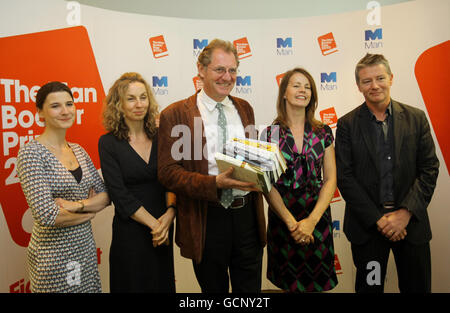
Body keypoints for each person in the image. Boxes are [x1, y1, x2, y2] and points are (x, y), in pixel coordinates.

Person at [157, 39, 266, 293]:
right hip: (206, 218)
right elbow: (167, 172)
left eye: (232, 70)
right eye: (219, 70)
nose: (227, 77)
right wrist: (214, 184)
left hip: (246, 217)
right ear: (201, 69)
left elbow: (250, 158)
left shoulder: (244, 108)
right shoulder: (175, 114)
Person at [335, 53, 439, 293]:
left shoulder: (416, 118)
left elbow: (429, 168)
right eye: (367, 81)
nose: (374, 86)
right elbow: (345, 177)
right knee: (370, 289)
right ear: (358, 86)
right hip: (368, 230)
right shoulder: (347, 124)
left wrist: (405, 213)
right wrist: (379, 220)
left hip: (411, 227)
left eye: (380, 78)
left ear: (391, 78)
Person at [16, 81, 110, 293]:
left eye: (69, 104)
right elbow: (46, 215)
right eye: (56, 106)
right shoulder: (31, 154)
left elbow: (106, 195)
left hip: (84, 251)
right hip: (53, 258)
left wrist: (77, 205)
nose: (65, 111)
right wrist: (89, 212)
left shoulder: (78, 150)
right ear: (40, 113)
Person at [261, 67, 338, 292]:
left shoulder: (323, 131)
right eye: (296, 85)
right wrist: (291, 224)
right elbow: (266, 184)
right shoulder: (269, 134)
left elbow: (331, 179)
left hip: (317, 219)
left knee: (317, 285)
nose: (302, 90)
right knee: (288, 285)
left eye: (307, 87)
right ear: (284, 92)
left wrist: (311, 222)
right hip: (284, 221)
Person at [98, 72, 176, 292]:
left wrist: (170, 214)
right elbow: (118, 194)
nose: (139, 104)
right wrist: (154, 225)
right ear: (119, 104)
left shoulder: (162, 136)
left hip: (164, 226)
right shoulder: (108, 143)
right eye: (131, 98)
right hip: (131, 230)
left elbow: (173, 180)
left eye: (143, 97)